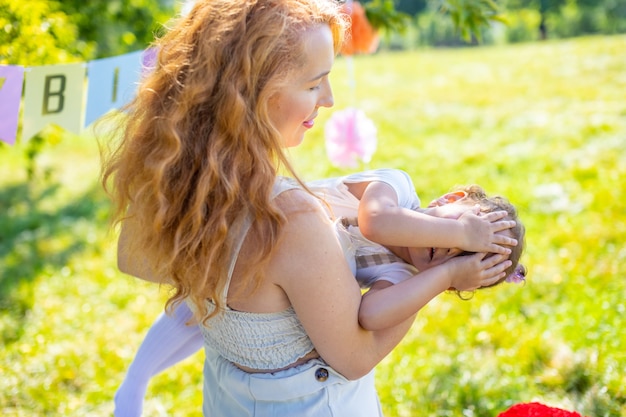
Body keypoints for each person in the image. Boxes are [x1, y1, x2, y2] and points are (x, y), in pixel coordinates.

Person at [101, 1, 514, 415]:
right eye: (315, 83)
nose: (330, 99)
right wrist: (442, 276)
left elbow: (134, 259)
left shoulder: (190, 187)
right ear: (254, 92)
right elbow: (354, 357)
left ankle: (134, 383)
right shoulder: (293, 221)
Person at [113, 169, 524, 416]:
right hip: (257, 221)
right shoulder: (396, 188)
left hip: (274, 275)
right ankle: (135, 380)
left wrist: (443, 277)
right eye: (463, 228)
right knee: (191, 300)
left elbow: (371, 316)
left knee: (208, 307)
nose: (450, 247)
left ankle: (137, 380)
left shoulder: (402, 273)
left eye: (459, 256)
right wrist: (460, 236)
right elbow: (375, 223)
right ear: (450, 199)